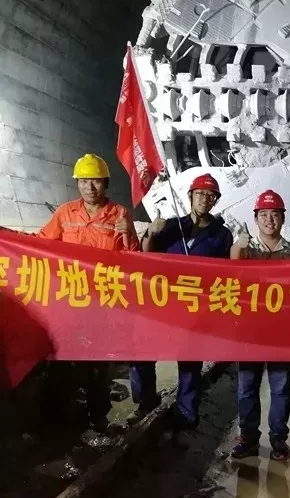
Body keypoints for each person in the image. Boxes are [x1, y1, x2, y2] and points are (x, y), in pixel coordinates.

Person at [36, 153, 139, 432]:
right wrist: (7, 236)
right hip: (69, 300)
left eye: (95, 181)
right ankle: (59, 415)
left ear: (105, 183)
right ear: (77, 184)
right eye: (83, 181)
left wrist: (129, 233)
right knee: (63, 358)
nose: (89, 187)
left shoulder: (119, 214)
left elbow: (133, 260)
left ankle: (98, 416)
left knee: (98, 362)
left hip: (102, 303)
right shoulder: (65, 213)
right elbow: (40, 244)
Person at [128, 173, 233, 430]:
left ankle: (186, 414)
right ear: (190, 196)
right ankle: (145, 402)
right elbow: (148, 256)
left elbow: (225, 274)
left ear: (216, 200)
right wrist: (150, 234)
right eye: (200, 193)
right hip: (163, 304)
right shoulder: (172, 226)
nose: (205, 199)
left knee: (189, 363)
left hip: (195, 308)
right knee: (141, 353)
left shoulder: (222, 235)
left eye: (211, 195)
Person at [230, 189, 290, 460]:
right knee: (247, 387)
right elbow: (232, 268)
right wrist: (239, 246)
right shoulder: (247, 251)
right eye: (263, 215)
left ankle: (278, 439)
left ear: (283, 219)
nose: (269, 220)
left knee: (280, 388)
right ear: (255, 219)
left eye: (275, 215)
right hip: (250, 332)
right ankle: (248, 437)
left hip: (281, 333)